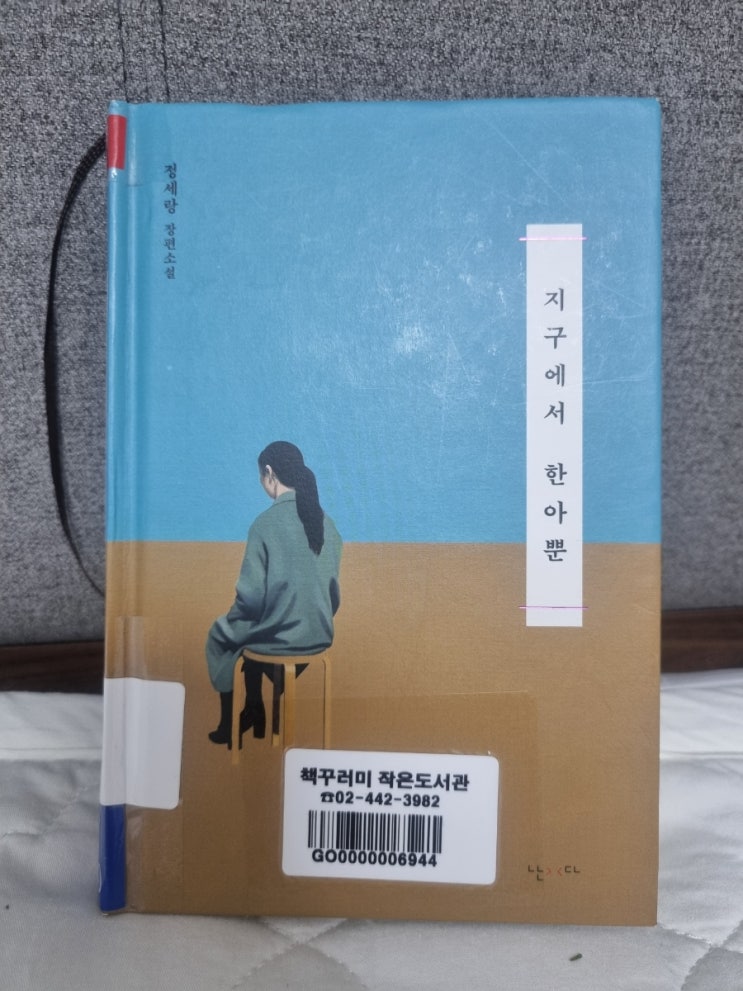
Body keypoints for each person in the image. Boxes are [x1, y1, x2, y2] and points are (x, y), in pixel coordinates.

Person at [206, 441, 342, 747]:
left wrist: (236, 619)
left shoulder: (264, 525)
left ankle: (232, 721)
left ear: (269, 473)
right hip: (318, 634)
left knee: (222, 635)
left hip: (279, 638)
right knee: (256, 630)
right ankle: (258, 709)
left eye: (260, 476)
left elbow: (251, 598)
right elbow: (333, 594)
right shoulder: (327, 524)